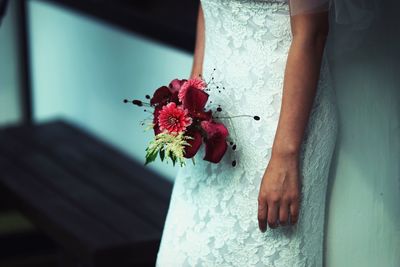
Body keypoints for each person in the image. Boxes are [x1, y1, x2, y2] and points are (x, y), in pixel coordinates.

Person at [156, 0, 338, 265]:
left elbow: (312, 35)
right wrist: (192, 94)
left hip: (280, 128)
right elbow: (208, 8)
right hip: (213, 119)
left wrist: (285, 155)